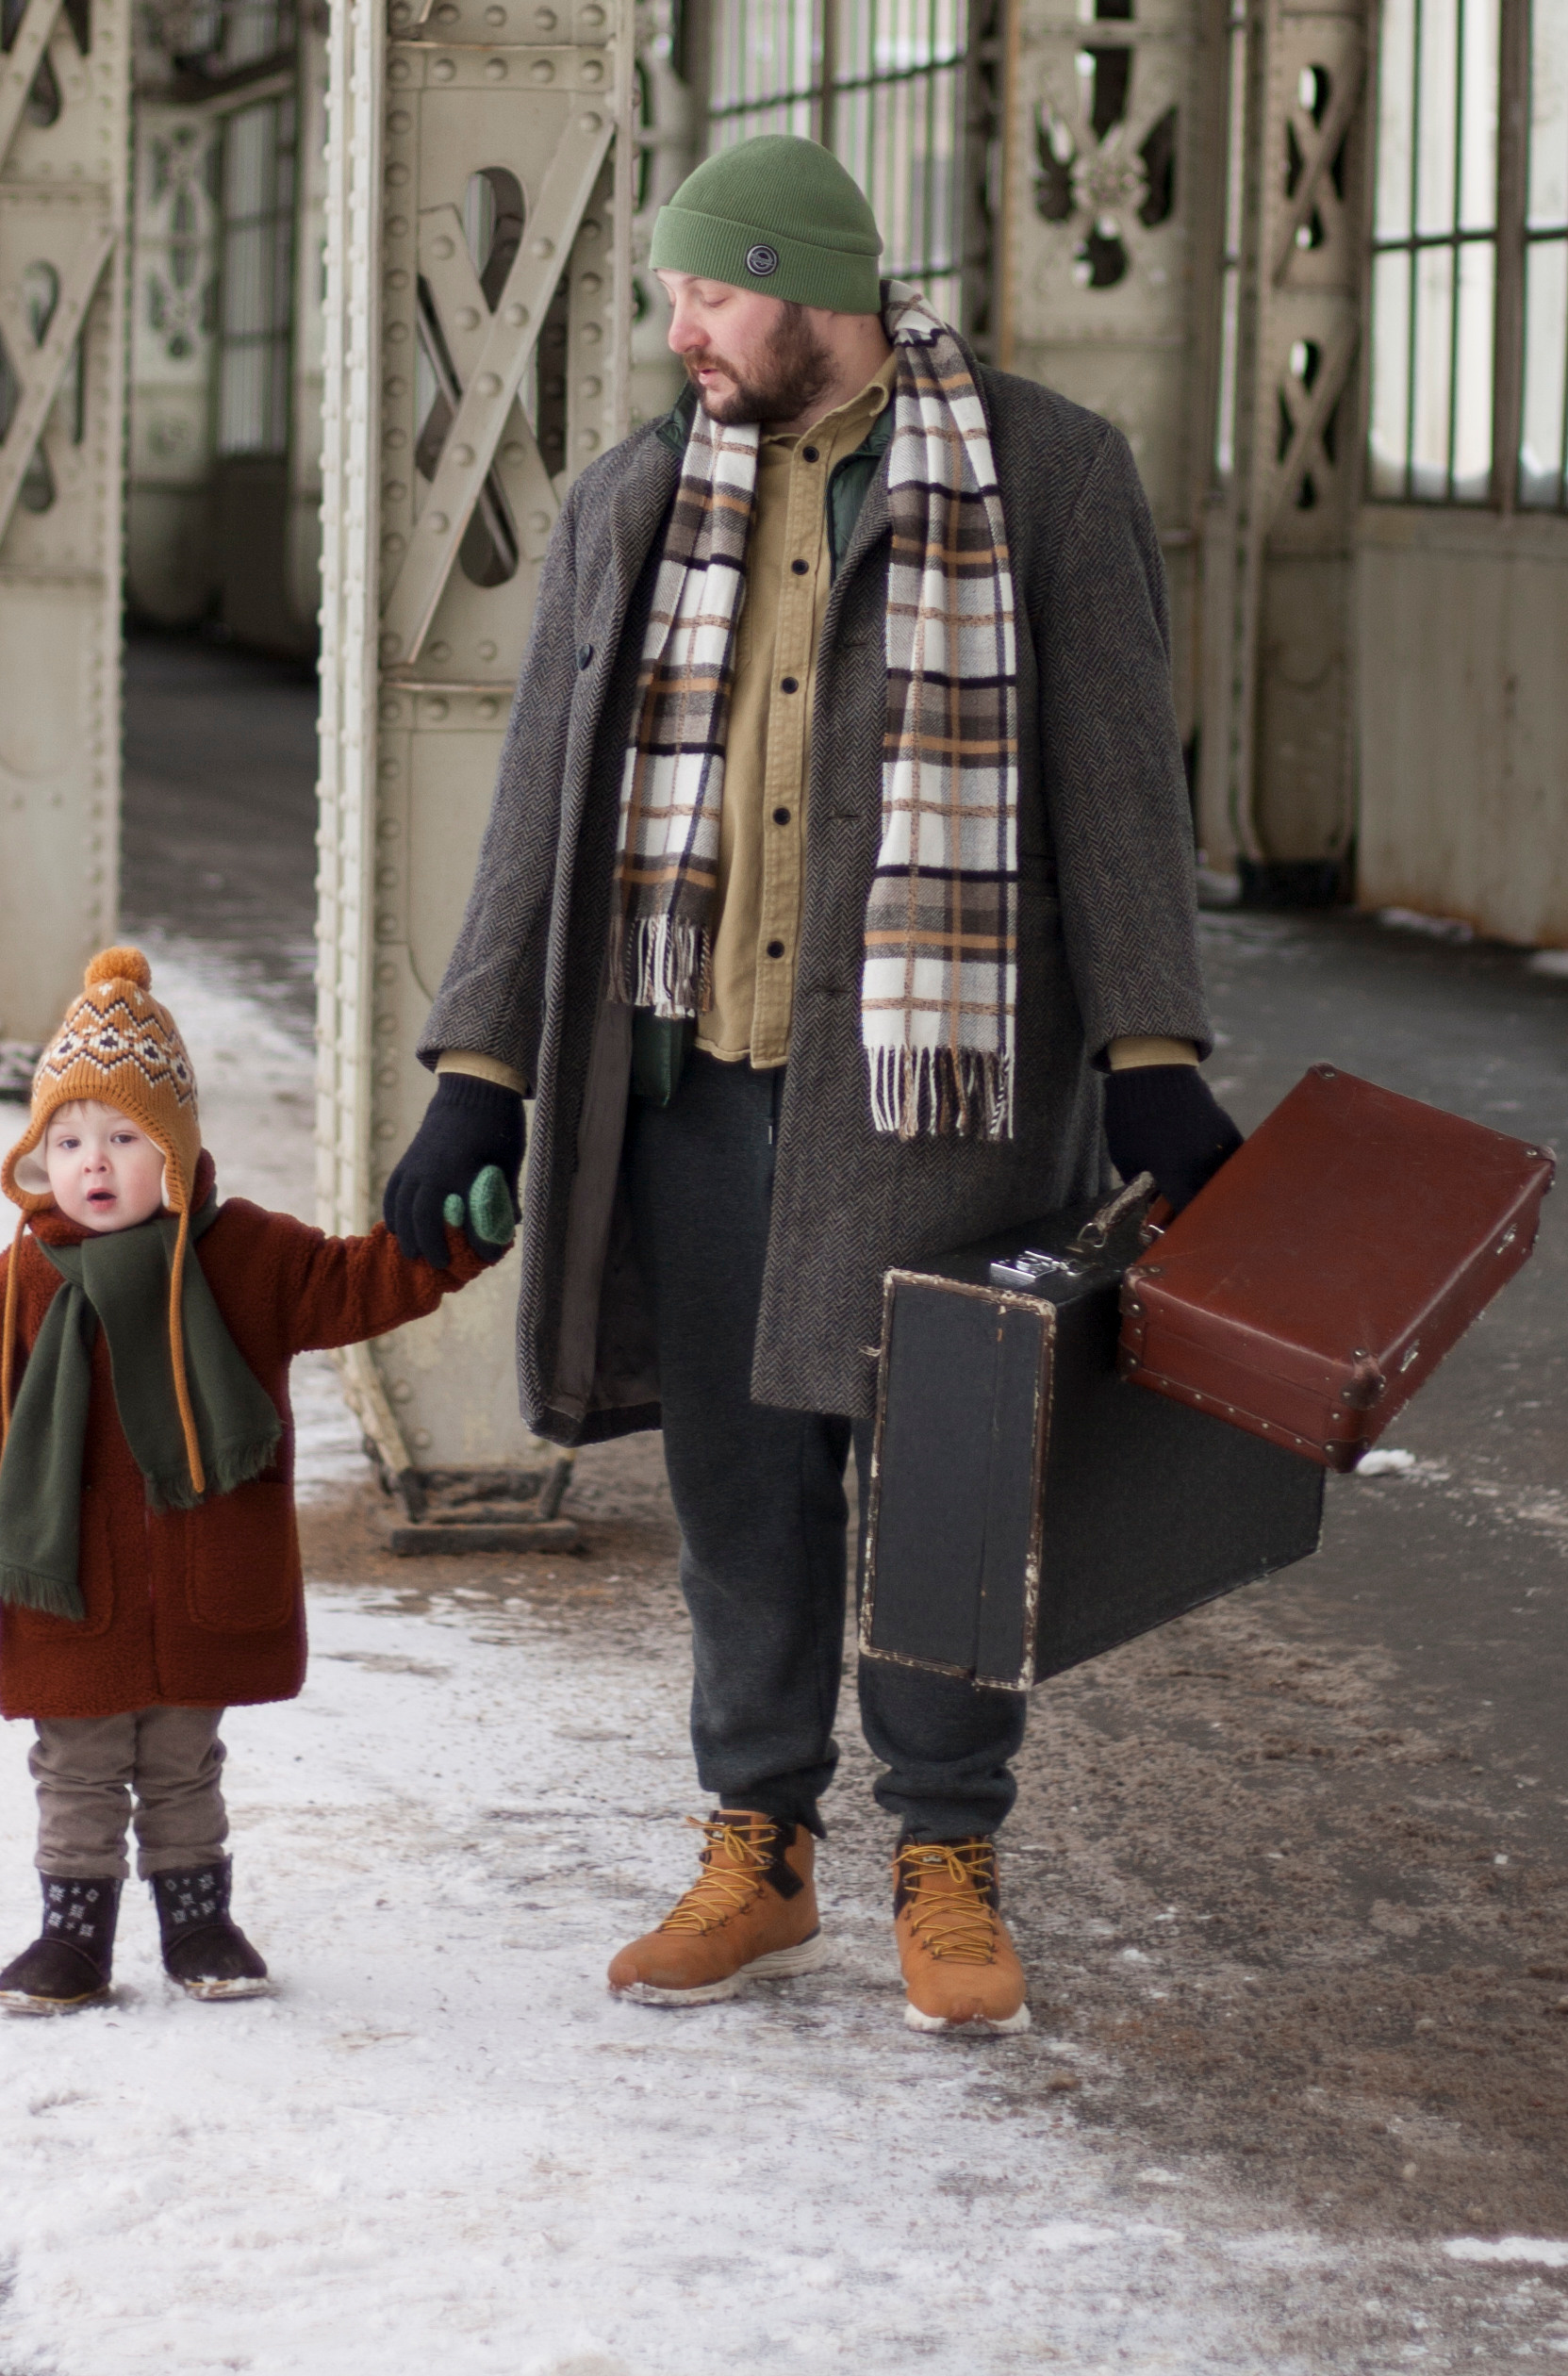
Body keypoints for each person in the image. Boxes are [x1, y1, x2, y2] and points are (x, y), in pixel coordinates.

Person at [383, 135, 1240, 2036]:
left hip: (937, 1093)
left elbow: (1117, 788)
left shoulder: (1044, 474)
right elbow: (539, 807)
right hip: (691, 1079)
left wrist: (1152, 1057)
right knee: (735, 1489)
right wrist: (479, 1074)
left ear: (807, 290)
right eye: (671, 298)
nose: (678, 331)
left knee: (947, 1480)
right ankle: (756, 1844)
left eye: (708, 293)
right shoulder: (630, 498)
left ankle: (947, 1854)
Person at [0, 944, 505, 2013]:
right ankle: (73, 1937)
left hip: (200, 1582)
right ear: (39, 1156)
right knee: (77, 1770)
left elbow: (357, 1283)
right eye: (69, 1141)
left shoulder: (241, 1254)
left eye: (124, 1137)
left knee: (183, 1763)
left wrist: (457, 1241)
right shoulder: (20, 1284)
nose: (94, 1164)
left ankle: (199, 1922)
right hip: (73, 1589)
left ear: (173, 1147)